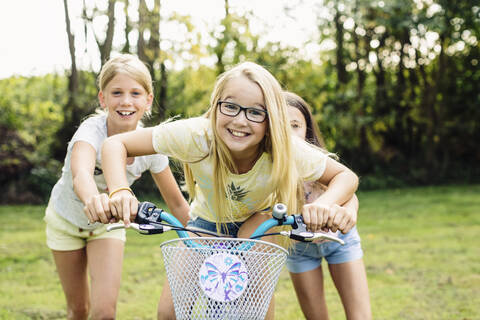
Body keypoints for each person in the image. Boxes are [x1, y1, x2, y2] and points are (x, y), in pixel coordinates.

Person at [100, 61, 359, 320]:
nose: (240, 120)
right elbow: (115, 145)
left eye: (256, 112)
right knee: (169, 312)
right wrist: (120, 190)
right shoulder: (196, 136)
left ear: (272, 119)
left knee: (252, 307)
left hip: (260, 219)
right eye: (231, 107)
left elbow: (345, 177)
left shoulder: (283, 147)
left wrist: (326, 204)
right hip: (206, 222)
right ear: (216, 107)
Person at [44, 54, 190, 320]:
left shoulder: (151, 145)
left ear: (148, 100)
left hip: (105, 229)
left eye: (135, 93)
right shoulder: (91, 131)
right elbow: (82, 176)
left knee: (104, 313)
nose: (125, 101)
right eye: (117, 93)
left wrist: (201, 236)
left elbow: (177, 203)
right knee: (78, 310)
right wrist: (93, 199)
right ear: (103, 99)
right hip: (65, 222)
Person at [285, 91, 372, 320]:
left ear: (307, 129)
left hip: (340, 241)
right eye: (281, 126)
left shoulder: (318, 162)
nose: (289, 134)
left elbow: (348, 191)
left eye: (295, 125)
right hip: (299, 248)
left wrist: (350, 212)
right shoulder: (265, 170)